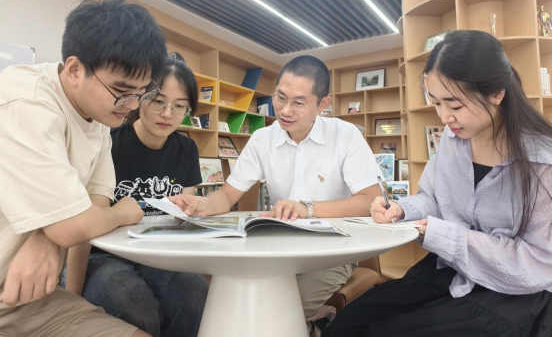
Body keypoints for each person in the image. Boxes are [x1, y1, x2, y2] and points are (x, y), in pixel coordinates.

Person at [325, 30, 552, 337]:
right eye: (436, 103)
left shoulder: (542, 163)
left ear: (497, 94)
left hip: (515, 292)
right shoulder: (452, 138)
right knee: (350, 321)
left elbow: (537, 261)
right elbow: (433, 198)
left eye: (455, 106)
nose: (445, 117)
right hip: (450, 269)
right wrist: (401, 209)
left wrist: (444, 235)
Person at [171, 55, 384, 336]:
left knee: (279, 311)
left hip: (332, 252)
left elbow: (370, 201)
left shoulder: (345, 136)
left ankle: (312, 326)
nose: (285, 110)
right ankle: (315, 325)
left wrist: (307, 208)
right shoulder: (262, 139)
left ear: (323, 104)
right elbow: (227, 195)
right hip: (278, 248)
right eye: (280, 98)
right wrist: (204, 203)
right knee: (237, 301)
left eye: (299, 102)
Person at [0, 0, 168, 336]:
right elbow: (76, 223)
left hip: (32, 300)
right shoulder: (26, 100)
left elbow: (95, 202)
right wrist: (125, 211)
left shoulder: (100, 117)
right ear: (76, 69)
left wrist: (47, 236)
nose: (132, 106)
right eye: (122, 90)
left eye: (142, 93)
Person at [64, 53, 209, 337]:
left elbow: (182, 219)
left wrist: (192, 208)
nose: (167, 114)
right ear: (140, 96)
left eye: (180, 106)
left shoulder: (187, 149)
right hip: (104, 254)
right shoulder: (109, 142)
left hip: (159, 253)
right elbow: (85, 227)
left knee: (196, 295)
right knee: (134, 304)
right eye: (158, 101)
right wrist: (71, 301)